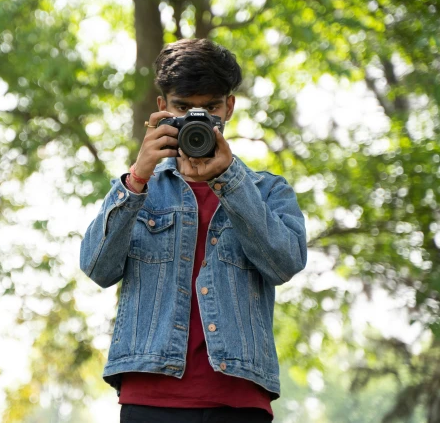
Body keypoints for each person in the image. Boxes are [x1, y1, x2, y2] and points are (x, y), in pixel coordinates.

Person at [79, 38, 307, 422]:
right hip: (150, 396)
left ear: (229, 107)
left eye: (210, 107)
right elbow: (97, 268)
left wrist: (230, 180)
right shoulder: (138, 190)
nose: (196, 119)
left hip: (238, 398)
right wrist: (137, 177)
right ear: (162, 108)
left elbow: (284, 263)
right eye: (183, 108)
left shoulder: (268, 191)